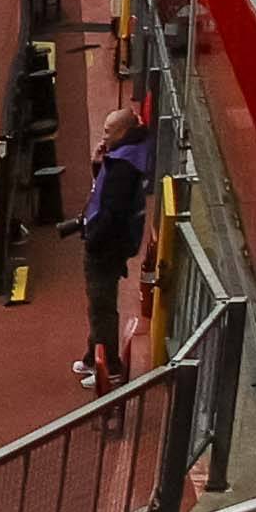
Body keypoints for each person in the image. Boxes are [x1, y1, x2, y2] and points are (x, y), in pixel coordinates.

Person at [76, 103, 159, 390]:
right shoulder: (124, 157)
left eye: (109, 130)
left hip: (105, 248)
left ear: (124, 131)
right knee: (97, 304)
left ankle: (110, 366)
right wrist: (99, 164)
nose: (104, 135)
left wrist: (93, 236)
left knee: (102, 306)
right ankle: (92, 355)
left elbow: (110, 210)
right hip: (108, 245)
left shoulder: (124, 165)